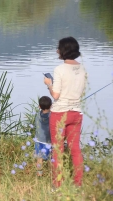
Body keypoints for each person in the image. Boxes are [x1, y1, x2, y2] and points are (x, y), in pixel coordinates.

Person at [44, 36, 86, 188]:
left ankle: (58, 184)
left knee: (58, 150)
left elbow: (55, 95)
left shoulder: (59, 69)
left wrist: (49, 84)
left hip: (60, 113)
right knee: (75, 149)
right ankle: (78, 184)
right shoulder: (82, 68)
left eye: (59, 48)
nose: (57, 50)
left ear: (64, 51)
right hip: (76, 113)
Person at [34, 96, 52, 176]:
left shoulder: (38, 115)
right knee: (51, 159)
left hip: (38, 140)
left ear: (39, 106)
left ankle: (39, 174)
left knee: (39, 159)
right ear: (51, 106)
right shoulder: (52, 116)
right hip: (48, 141)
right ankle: (52, 174)